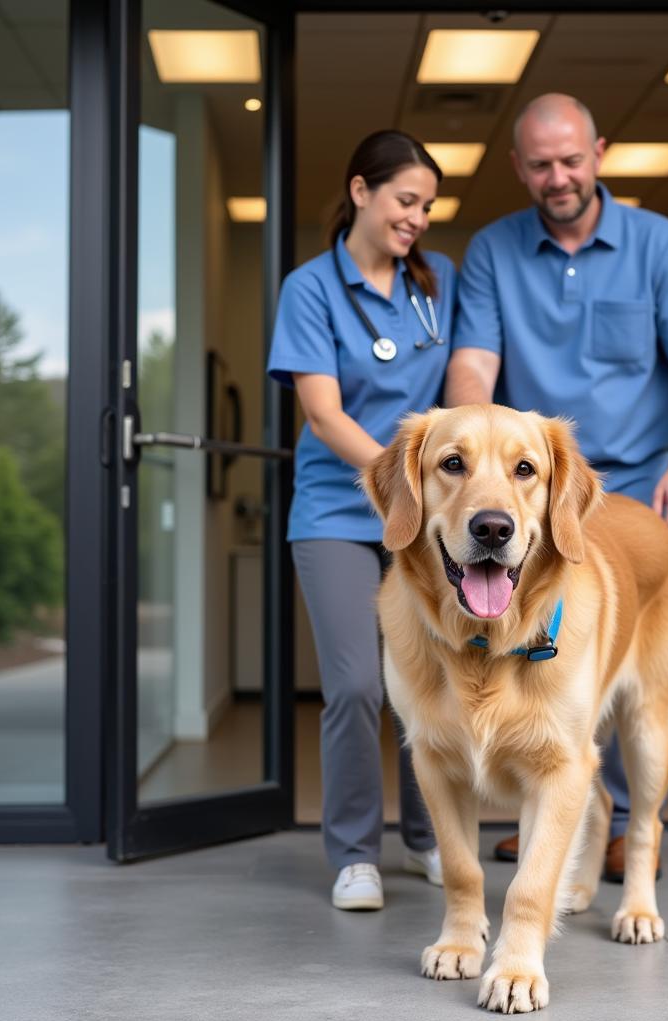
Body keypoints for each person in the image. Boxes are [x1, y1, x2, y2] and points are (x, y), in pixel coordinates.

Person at [445, 93, 668, 881]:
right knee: (522, 648)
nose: (558, 177)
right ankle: (558, 808)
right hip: (533, 488)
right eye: (540, 165)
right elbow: (474, 362)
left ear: (599, 152)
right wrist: (473, 441)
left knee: (605, 666)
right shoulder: (494, 252)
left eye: (571, 160)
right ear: (517, 168)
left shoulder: (660, 245)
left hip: (635, 488)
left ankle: (614, 825)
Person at [268, 130, 455, 911]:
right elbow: (321, 412)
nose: (416, 218)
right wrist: (403, 483)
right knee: (354, 684)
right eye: (405, 201)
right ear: (360, 192)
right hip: (340, 512)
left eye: (426, 208)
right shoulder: (310, 288)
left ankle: (428, 838)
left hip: (430, 521)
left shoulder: (437, 279)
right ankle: (354, 854)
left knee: (434, 677)